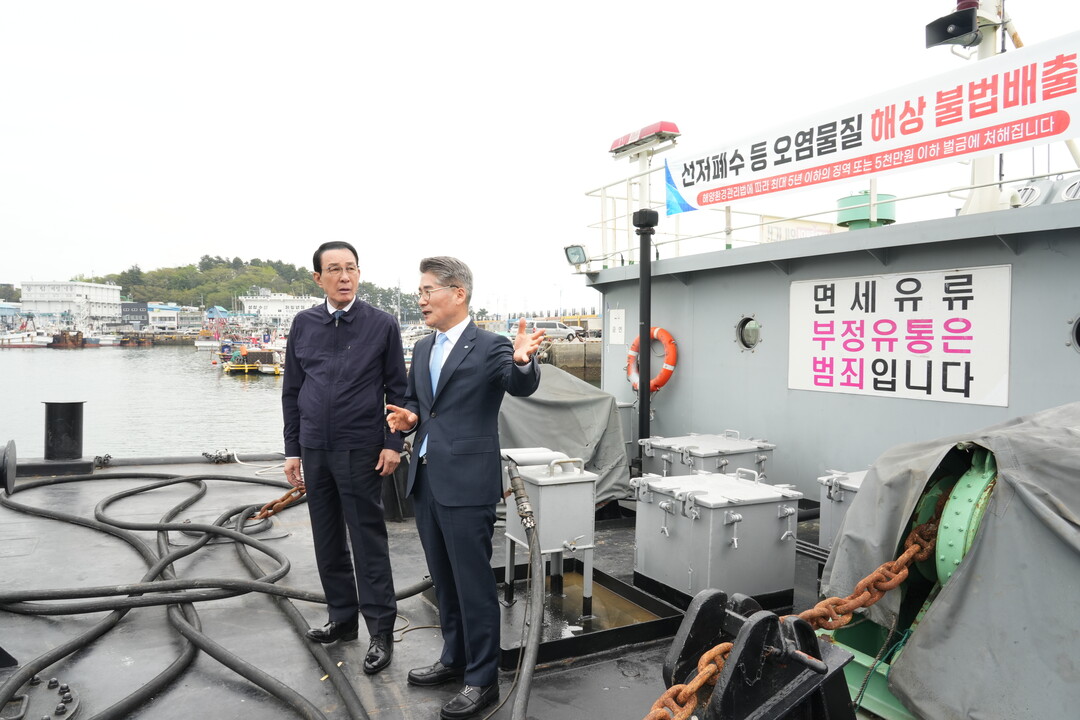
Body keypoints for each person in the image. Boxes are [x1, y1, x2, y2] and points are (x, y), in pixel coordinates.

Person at [386, 256, 544, 720]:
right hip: (427, 479)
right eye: (419, 292)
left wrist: (523, 359)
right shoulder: (421, 347)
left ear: (458, 293)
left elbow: (518, 383)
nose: (421, 299)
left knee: (473, 584)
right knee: (445, 580)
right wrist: (409, 417)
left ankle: (483, 679)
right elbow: (420, 405)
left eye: (427, 290)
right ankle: (453, 658)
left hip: (468, 483)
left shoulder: (491, 346)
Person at [281, 240, 407, 676]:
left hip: (360, 449)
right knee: (327, 537)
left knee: (368, 540)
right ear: (318, 278)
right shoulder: (304, 324)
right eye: (333, 269)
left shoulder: (381, 324)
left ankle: (381, 632)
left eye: (351, 268)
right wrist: (293, 449)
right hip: (314, 447)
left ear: (359, 274)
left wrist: (393, 443)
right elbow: (292, 392)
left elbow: (399, 389)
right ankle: (341, 619)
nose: (344, 277)